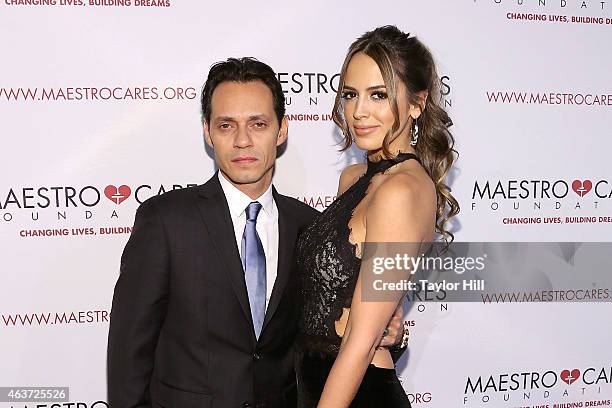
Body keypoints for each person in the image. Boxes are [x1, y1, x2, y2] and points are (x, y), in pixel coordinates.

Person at [107, 57, 406, 408]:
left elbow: (333, 337)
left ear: (281, 131)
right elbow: (129, 353)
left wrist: (390, 335)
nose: (243, 141)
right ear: (208, 132)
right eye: (226, 126)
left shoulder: (310, 228)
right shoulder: (165, 221)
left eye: (258, 124)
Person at [295, 26, 460, 407]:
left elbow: (361, 340)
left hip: (358, 391)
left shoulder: (402, 191)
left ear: (417, 104)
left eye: (379, 95)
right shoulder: (353, 178)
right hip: (316, 381)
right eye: (350, 94)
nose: (359, 111)